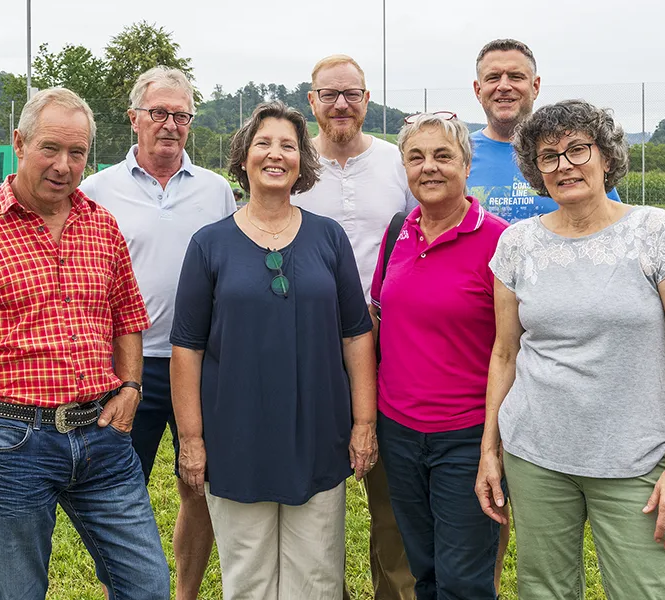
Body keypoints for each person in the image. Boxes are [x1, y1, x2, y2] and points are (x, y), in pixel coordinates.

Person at [0, 88, 170, 600]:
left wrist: (131, 386)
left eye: (77, 153)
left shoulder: (101, 226)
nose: (63, 165)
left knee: (147, 584)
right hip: (13, 443)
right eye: (50, 149)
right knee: (19, 591)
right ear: (20, 142)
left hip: (103, 437)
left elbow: (127, 314)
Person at [475, 99, 665, 599]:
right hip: (535, 455)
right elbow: (505, 354)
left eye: (577, 149)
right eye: (548, 156)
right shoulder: (517, 245)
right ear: (536, 171)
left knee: (643, 590)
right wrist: (490, 450)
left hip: (634, 460)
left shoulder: (656, 234)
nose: (564, 165)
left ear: (606, 157)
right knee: (545, 589)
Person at [169, 101, 377, 600]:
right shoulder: (209, 244)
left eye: (288, 146)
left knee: (317, 580)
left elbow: (356, 334)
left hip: (317, 435)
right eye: (264, 143)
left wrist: (364, 424)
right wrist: (192, 441)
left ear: (302, 162)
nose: (275, 155)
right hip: (236, 440)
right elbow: (186, 350)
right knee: (249, 581)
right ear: (243, 158)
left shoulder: (329, 237)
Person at [80, 67, 235, 600]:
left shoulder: (216, 192)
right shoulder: (97, 190)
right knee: (120, 496)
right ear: (134, 119)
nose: (170, 125)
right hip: (127, 368)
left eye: (181, 115)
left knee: (199, 487)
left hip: (201, 364)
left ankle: (185, 594)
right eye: (159, 113)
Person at [291, 53, 416, 600]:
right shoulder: (292, 163)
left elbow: (422, 233)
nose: (341, 104)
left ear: (367, 99)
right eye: (329, 94)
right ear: (311, 101)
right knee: (315, 487)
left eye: (352, 94)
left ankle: (394, 590)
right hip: (308, 347)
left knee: (392, 492)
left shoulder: (396, 163)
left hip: (390, 346)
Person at [370, 113, 507, 600]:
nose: (429, 167)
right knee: (423, 574)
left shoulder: (499, 241)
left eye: (443, 156)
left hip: (466, 438)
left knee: (463, 582)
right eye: (416, 157)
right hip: (400, 434)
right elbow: (379, 319)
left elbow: (513, 350)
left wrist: (492, 445)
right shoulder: (397, 233)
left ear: (466, 165)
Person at [467, 38, 620, 223]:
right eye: (493, 78)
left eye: (516, 77)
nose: (504, 86)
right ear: (478, 90)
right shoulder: (455, 156)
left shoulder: (578, 158)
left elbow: (610, 223)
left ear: (535, 86)